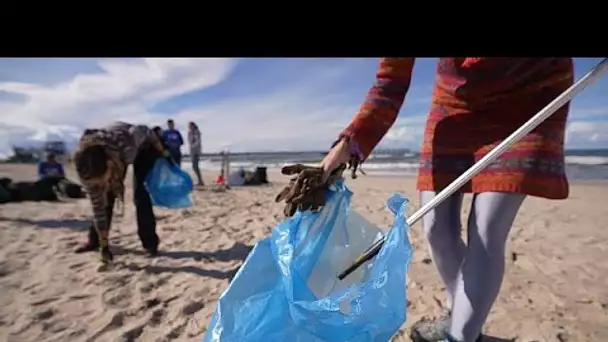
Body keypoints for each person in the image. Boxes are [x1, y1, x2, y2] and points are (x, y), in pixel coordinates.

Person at [319, 58, 573, 342]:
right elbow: (390, 82)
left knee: (487, 228)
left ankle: (460, 335)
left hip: (530, 93)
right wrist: (348, 144)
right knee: (436, 228)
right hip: (454, 106)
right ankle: (462, 321)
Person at [73, 122, 174, 264]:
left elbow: (146, 131)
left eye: (102, 180)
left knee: (140, 194)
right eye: (97, 183)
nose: (101, 184)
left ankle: (150, 244)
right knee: (105, 196)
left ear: (110, 166)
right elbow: (98, 207)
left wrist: (164, 152)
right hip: (114, 153)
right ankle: (95, 241)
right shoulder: (83, 167)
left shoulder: (128, 146)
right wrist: (104, 245)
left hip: (145, 146)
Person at [188, 121, 204, 186]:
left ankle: (200, 180)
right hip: (192, 151)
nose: (190, 127)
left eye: (191, 126)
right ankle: (200, 180)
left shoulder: (197, 132)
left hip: (196, 151)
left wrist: (193, 145)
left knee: (195, 166)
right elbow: (189, 140)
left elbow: (198, 141)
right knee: (194, 166)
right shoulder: (190, 133)